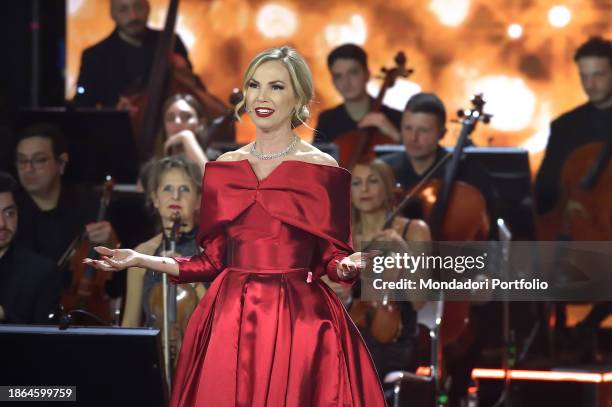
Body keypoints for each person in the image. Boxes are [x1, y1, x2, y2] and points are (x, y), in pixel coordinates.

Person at [84, 46, 387, 406]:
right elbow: (210, 263)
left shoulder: (323, 170)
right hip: (230, 317)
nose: (261, 96)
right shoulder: (224, 168)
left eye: (276, 86)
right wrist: (138, 259)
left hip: (299, 321)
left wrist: (349, 264)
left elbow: (334, 260)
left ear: (299, 96)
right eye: (254, 85)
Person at [534, 36, 612, 361]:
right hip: (575, 224)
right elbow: (545, 187)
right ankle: (555, 340)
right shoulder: (565, 126)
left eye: (599, 75)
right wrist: (568, 203)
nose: (590, 84)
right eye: (585, 76)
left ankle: (589, 325)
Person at [348, 159, 431, 404]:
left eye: (373, 182)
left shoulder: (414, 231)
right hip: (350, 329)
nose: (364, 189)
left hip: (394, 336)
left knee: (363, 362)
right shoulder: (341, 233)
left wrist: (404, 251)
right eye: (356, 183)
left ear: (387, 189)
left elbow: (418, 301)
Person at [382, 92, 497, 229]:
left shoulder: (471, 175)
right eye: (408, 128)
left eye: (423, 130)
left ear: (442, 133)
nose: (413, 138)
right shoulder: (384, 170)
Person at [14, 124, 119, 265]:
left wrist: (112, 245)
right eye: (22, 160)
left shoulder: (88, 204)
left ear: (62, 163)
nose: (28, 169)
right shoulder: (9, 209)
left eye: (39, 160)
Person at [122, 155, 206, 328]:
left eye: (185, 189)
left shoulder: (211, 250)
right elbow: (130, 323)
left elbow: (220, 317)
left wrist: (188, 275)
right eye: (168, 188)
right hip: (155, 353)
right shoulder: (142, 254)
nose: (175, 196)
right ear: (155, 199)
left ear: (198, 200)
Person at [73, 0, 193, 108]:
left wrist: (184, 73)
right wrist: (115, 112)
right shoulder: (94, 56)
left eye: (138, 7)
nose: (133, 16)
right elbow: (84, 107)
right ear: (112, 14)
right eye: (123, 9)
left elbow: (193, 94)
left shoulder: (171, 42)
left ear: (148, 8)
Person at [0, 172, 61, 324]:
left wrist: (4, 314)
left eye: (9, 213)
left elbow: (42, 340)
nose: (2, 224)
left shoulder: (42, 272)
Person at [315, 43, 402, 144]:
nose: (346, 82)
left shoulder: (395, 117)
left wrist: (394, 134)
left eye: (353, 73)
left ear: (367, 74)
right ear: (333, 82)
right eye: (339, 76)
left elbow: (416, 158)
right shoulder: (326, 121)